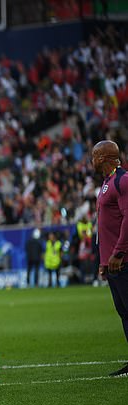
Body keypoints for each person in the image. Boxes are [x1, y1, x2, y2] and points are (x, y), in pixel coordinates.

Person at [91, 140, 128, 377]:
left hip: (123, 260)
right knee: (124, 312)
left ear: (105, 157)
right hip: (113, 263)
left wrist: (119, 252)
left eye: (94, 155)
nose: (91, 160)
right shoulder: (107, 183)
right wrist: (104, 261)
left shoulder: (122, 180)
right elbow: (107, 225)